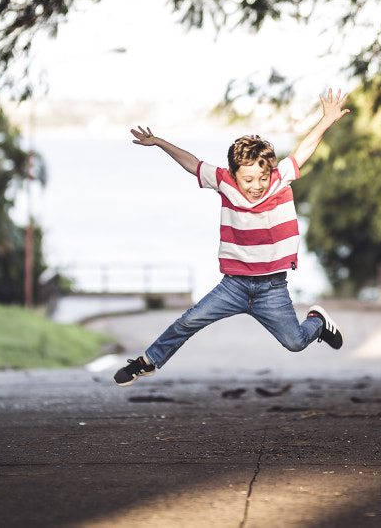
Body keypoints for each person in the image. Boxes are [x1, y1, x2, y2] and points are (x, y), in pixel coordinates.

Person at [113, 89, 351, 386]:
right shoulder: (223, 181)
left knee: (295, 342)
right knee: (189, 320)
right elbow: (192, 163)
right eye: (248, 179)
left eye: (262, 178)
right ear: (234, 174)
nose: (257, 186)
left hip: (271, 288)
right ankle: (146, 362)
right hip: (234, 286)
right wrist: (159, 142)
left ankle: (317, 321)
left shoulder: (280, 179)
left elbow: (304, 148)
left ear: (271, 172)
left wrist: (326, 120)